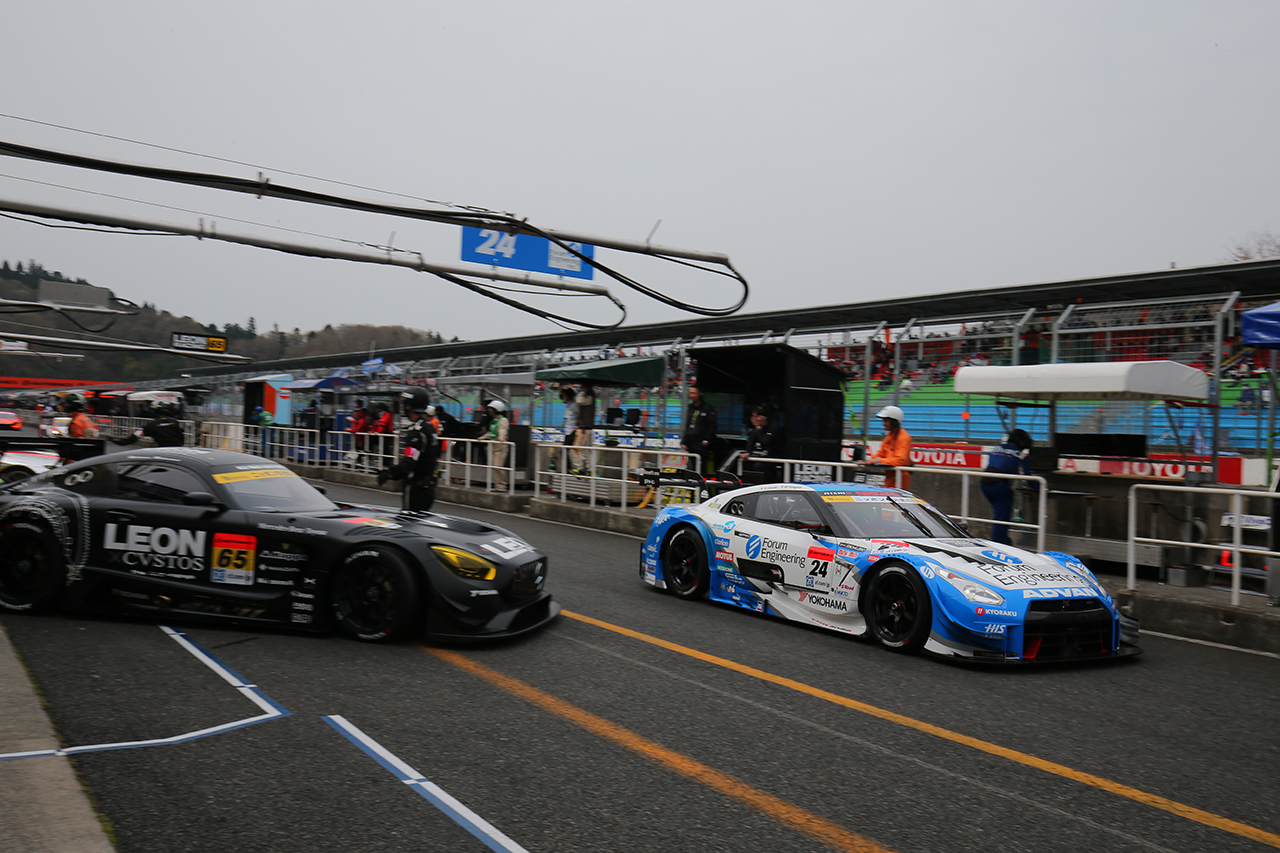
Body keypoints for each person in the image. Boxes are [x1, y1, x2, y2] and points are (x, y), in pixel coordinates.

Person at [377, 388, 441, 512]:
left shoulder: (417, 431)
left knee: (408, 519)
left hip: (416, 487)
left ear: (408, 405)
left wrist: (389, 473)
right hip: (429, 485)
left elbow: (409, 462)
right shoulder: (429, 427)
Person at [981, 429, 1033, 545]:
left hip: (985, 484)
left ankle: (1003, 541)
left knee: (999, 516)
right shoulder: (1021, 454)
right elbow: (1028, 478)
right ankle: (999, 545)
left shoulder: (997, 448)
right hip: (1000, 486)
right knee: (1001, 519)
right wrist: (1042, 485)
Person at [870, 404, 912, 489]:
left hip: (900, 478)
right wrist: (870, 461)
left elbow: (900, 460)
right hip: (890, 477)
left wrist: (878, 460)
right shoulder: (889, 435)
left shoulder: (904, 437)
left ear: (894, 422)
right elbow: (882, 452)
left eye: (886, 421)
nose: (884, 424)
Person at [681, 384, 718, 475]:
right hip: (690, 441)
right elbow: (686, 425)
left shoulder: (707, 408)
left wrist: (706, 440)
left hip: (700, 442)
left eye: (694, 393)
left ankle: (701, 482)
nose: (692, 395)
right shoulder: (689, 408)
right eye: (690, 393)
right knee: (691, 466)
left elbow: (712, 425)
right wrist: (684, 441)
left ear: (699, 394)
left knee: (701, 468)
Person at [742, 405, 783, 483]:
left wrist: (758, 428)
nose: (753, 419)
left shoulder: (773, 427)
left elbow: (765, 441)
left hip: (774, 456)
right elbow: (751, 441)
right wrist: (747, 452)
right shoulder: (755, 429)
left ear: (763, 417)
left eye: (755, 417)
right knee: (746, 463)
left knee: (758, 466)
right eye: (752, 416)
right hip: (761, 454)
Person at [112, 403, 184, 448]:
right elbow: (181, 434)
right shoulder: (174, 421)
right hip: (177, 447)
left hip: (162, 448)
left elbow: (135, 436)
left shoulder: (151, 424)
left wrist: (119, 442)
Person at [485, 399, 511, 491]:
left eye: (491, 409)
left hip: (500, 446)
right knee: (494, 466)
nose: (489, 411)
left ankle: (502, 485)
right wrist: (483, 437)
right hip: (493, 444)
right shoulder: (493, 421)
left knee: (498, 466)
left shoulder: (503, 420)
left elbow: (503, 430)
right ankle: (497, 485)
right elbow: (491, 432)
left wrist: (501, 438)